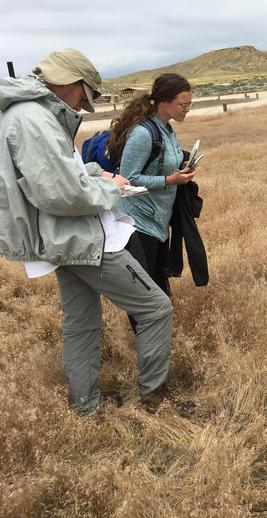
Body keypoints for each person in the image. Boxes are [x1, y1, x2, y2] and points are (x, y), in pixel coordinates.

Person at [0, 48, 173, 415]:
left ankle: (86, 405)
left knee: (81, 323)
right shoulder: (34, 120)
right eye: (84, 94)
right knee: (156, 308)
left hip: (62, 240)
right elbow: (60, 192)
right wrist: (115, 190)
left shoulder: (32, 114)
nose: (83, 104)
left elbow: (64, 173)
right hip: (82, 239)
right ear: (69, 81)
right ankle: (154, 399)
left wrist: (98, 174)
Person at [106, 73, 197, 297]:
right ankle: (146, 331)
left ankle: (161, 330)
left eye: (189, 105)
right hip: (139, 223)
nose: (186, 109)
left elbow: (163, 163)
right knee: (143, 291)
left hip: (158, 220)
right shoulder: (142, 134)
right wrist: (170, 180)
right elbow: (129, 180)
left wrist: (183, 166)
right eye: (182, 104)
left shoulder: (167, 129)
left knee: (159, 285)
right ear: (165, 103)